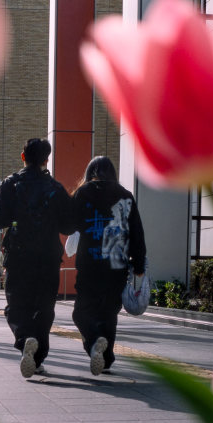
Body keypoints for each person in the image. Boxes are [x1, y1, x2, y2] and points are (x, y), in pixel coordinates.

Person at [0, 137, 72, 378]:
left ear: (23, 156)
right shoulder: (56, 189)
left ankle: (25, 338)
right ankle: (37, 358)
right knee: (44, 305)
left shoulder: (10, 184)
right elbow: (68, 225)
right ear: (47, 160)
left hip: (18, 254)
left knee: (16, 305)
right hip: (48, 256)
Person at [66, 156, 146, 375]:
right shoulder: (125, 195)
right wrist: (139, 263)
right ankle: (106, 356)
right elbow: (137, 232)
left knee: (82, 312)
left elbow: (69, 224)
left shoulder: (82, 193)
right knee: (109, 312)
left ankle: (94, 344)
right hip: (116, 265)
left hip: (90, 264)